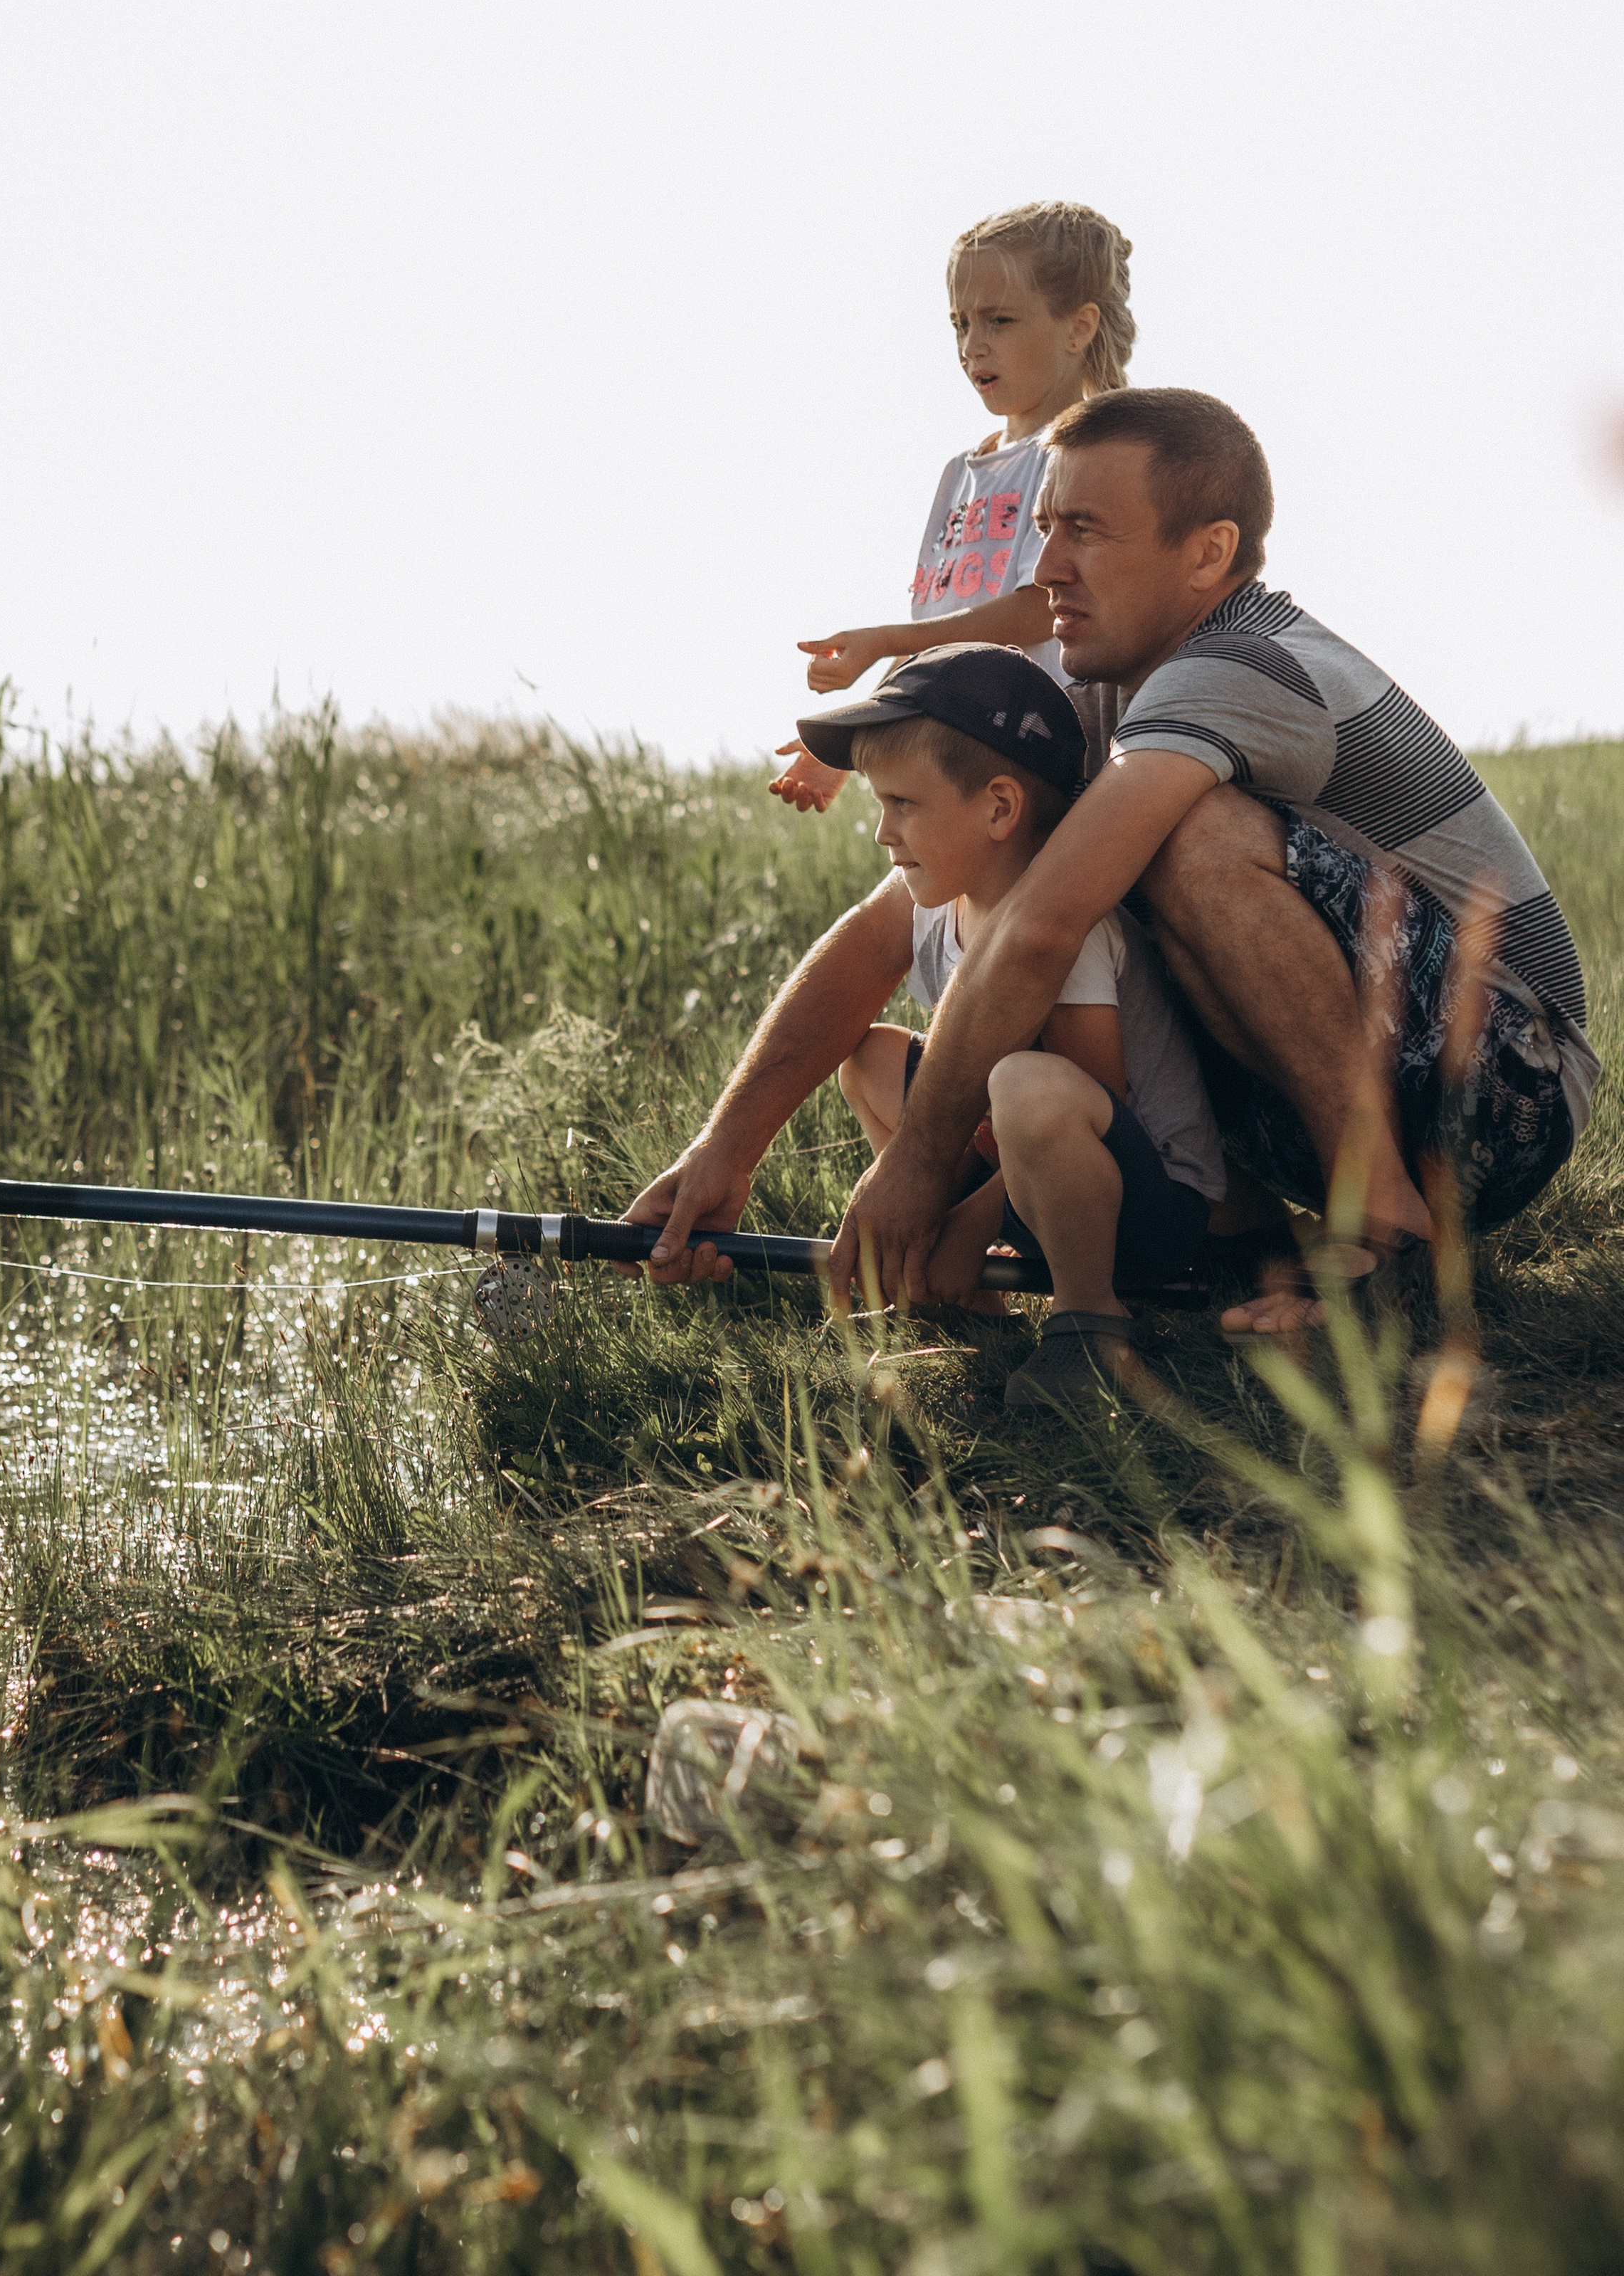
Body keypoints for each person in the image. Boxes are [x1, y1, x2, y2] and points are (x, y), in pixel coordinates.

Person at [636, 389, 1598, 1340]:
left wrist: (919, 1167)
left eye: (1086, 531)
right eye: (1046, 528)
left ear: (1208, 553)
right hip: (1348, 1080)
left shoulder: (1243, 665)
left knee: (1182, 841)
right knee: (1080, 858)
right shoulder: (1104, 694)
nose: (1047, 566)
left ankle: (1388, 1233)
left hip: (1502, 1083)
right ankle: (1232, 1234)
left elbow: (1046, 923)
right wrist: (726, 1149)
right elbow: (887, 928)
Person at [630, 641, 1228, 1396]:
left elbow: (1093, 1100)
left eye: (902, 805)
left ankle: (1089, 1321)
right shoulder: (935, 905)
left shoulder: (1067, 925)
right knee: (874, 1058)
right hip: (1029, 1163)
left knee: (1025, 1086)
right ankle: (958, 1292)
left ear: (1000, 808)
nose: (883, 833)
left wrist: (976, 1223)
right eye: (879, 804)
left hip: (1146, 1211)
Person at [768, 201, 1135, 817]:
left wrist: (884, 640)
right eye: (960, 323)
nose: (973, 346)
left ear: (1078, 328)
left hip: (1040, 758)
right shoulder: (958, 475)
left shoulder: (1078, 457)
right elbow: (942, 632)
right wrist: (849, 739)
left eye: (1000, 320)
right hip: (958, 757)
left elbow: (1038, 609)